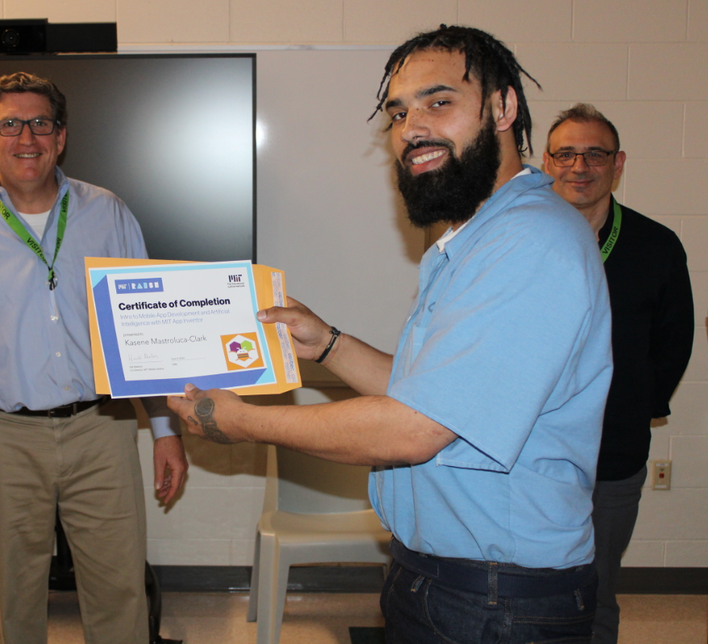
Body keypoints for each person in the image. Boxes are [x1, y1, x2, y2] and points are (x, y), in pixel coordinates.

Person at [169, 25, 613, 643]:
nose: (411, 128)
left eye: (439, 102)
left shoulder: (530, 241)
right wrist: (327, 342)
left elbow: (412, 430)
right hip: (443, 579)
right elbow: (426, 396)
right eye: (398, 112)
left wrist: (241, 422)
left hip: (496, 600)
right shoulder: (476, 236)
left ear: (504, 107)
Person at [0, 72, 188, 644]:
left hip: (101, 429)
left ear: (61, 137)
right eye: (10, 124)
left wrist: (165, 429)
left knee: (119, 592)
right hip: (0, 437)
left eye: (41, 123)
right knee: (12, 599)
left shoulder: (107, 213)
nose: (27, 138)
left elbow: (146, 333)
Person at [543, 103, 694, 644]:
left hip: (613, 453)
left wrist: (635, 403)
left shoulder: (656, 246)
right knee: (524, 588)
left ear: (618, 163)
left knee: (597, 589)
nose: (579, 166)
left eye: (595, 154)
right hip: (526, 454)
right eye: (566, 153)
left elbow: (674, 342)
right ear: (546, 161)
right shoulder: (517, 241)